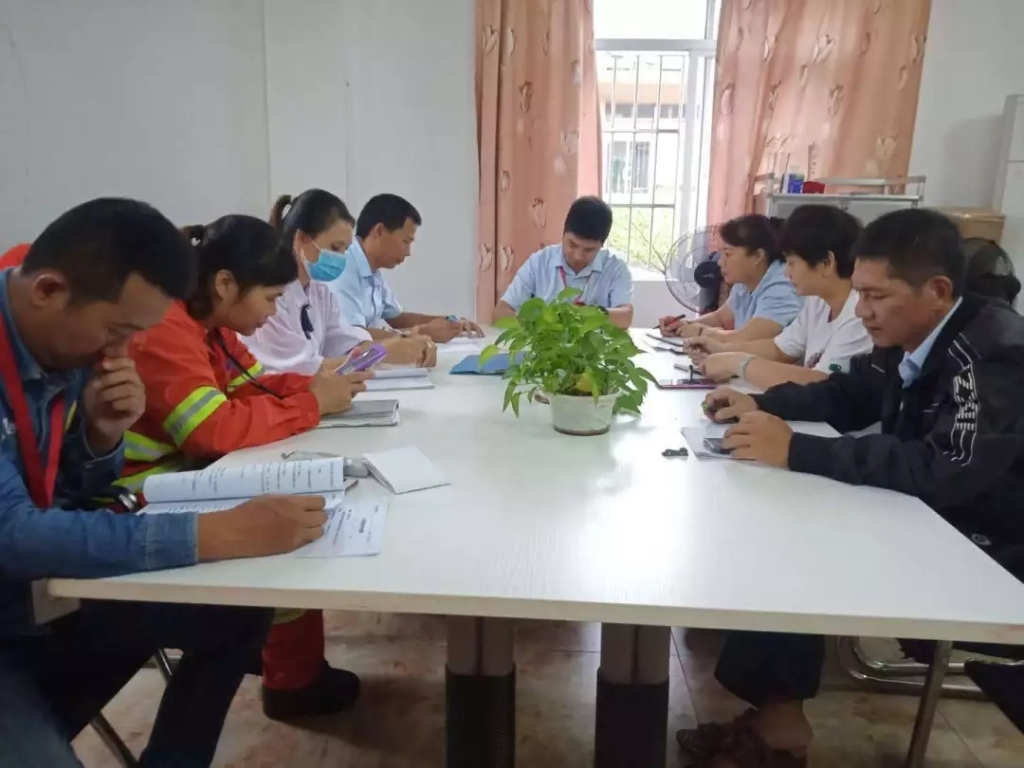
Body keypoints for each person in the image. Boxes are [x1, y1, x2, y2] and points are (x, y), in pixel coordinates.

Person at [683, 208, 1024, 767]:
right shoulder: (914, 335)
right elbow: (849, 393)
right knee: (776, 524)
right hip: (932, 513)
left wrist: (798, 450)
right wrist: (760, 403)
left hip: (991, 546)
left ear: (937, 291)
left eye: (875, 296)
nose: (861, 310)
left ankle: (779, 733)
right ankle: (775, 721)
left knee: (800, 545)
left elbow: (949, 467)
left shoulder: (990, 353)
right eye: (860, 293)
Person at [0, 199, 331, 768]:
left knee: (236, 611)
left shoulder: (64, 342)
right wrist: (216, 534)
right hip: (14, 608)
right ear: (48, 290)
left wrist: (100, 436)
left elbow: (64, 490)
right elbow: (15, 535)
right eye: (117, 331)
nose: (122, 352)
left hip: (40, 599)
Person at [123, 214, 369, 722]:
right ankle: (290, 678)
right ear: (224, 285)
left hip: (186, 475)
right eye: (271, 298)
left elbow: (254, 386)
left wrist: (316, 390)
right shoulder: (167, 329)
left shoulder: (211, 328)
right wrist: (312, 405)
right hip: (142, 496)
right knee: (286, 521)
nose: (274, 311)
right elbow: (211, 430)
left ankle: (290, 663)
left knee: (304, 505)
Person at [244, 190, 437, 374]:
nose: (341, 258)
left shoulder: (320, 293)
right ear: (302, 238)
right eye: (335, 248)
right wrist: (381, 354)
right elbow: (302, 370)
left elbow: (347, 343)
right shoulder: (271, 296)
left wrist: (405, 343)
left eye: (345, 250)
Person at [685, 205, 872, 389]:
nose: (786, 273)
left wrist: (737, 363)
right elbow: (779, 349)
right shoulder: (818, 303)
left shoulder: (859, 315)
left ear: (826, 263)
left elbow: (821, 383)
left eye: (791, 263)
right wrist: (719, 350)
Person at [328, 193, 482, 342]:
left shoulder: (372, 270)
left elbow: (397, 317)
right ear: (379, 231)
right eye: (406, 241)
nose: (408, 252)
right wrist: (422, 333)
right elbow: (353, 337)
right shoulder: (343, 268)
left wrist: (450, 323)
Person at [492, 196, 635, 328]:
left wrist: (581, 314)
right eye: (572, 245)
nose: (578, 256)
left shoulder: (615, 268)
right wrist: (538, 327)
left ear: (601, 245)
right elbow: (500, 313)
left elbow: (625, 317)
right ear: (563, 233)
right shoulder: (540, 262)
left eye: (589, 250)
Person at [658, 214, 801, 342]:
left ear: (757, 256)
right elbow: (721, 318)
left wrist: (701, 332)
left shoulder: (782, 286)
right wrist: (683, 325)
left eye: (728, 254)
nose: (720, 262)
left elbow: (748, 339)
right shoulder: (745, 281)